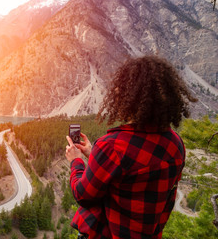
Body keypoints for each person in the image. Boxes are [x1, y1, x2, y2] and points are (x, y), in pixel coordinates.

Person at [65, 56, 197, 239]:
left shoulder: (112, 146)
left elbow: (83, 195)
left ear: (128, 96)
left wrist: (77, 161)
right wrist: (93, 153)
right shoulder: (176, 143)